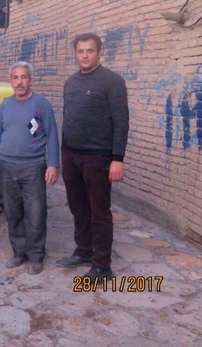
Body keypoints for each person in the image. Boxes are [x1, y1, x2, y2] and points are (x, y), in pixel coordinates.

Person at [56, 33, 129, 280]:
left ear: (99, 52)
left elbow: (121, 122)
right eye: (80, 51)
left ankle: (102, 265)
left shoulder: (112, 81)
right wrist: (64, 152)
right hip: (71, 156)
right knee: (78, 207)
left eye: (90, 51)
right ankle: (84, 251)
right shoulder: (70, 82)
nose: (85, 55)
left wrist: (117, 158)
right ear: (75, 53)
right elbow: (68, 119)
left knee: (99, 211)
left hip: (98, 158)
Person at [0, 61, 59, 275]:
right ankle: (19, 253)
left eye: (23, 77)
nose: (19, 82)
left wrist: (53, 164)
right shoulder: (5, 105)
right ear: (11, 81)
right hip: (7, 167)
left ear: (30, 80)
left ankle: (36, 256)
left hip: (33, 167)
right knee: (13, 213)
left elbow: (52, 135)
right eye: (15, 78)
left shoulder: (41, 104)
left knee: (36, 214)